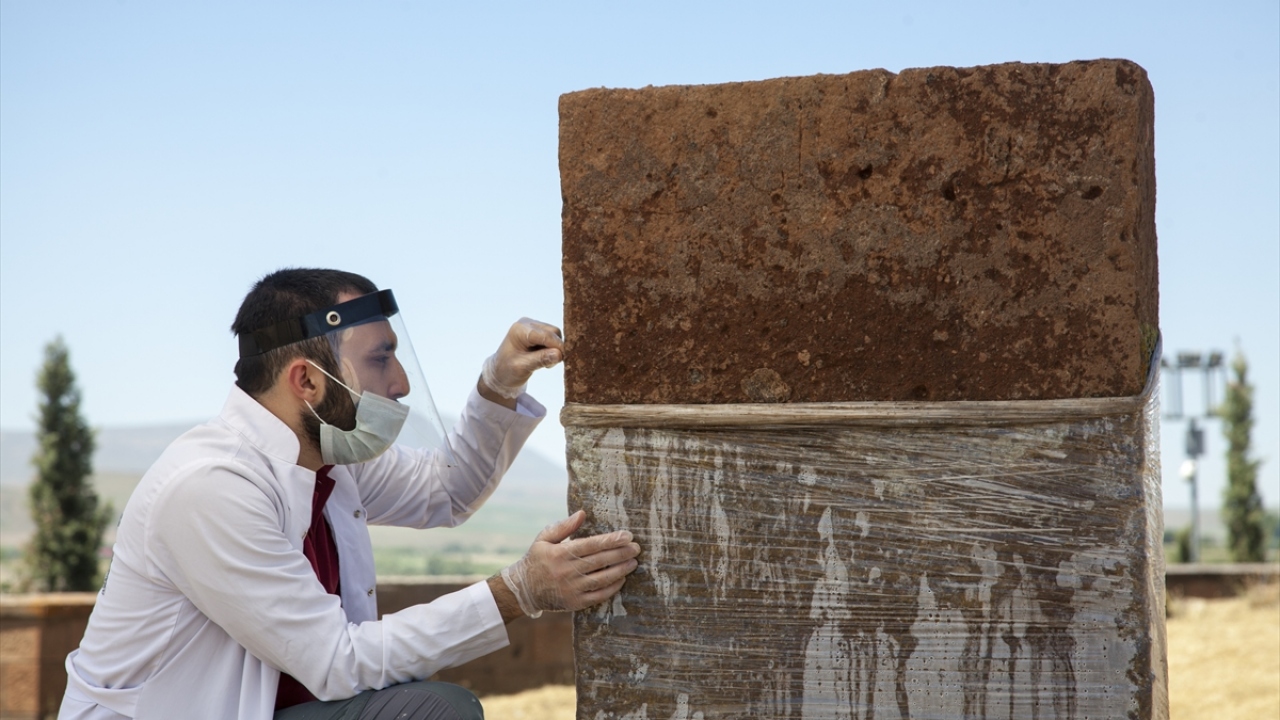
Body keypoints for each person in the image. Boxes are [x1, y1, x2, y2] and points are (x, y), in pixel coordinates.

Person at [58, 268, 640, 720]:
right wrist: (520, 591)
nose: (401, 383)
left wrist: (501, 382)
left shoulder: (326, 460)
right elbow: (337, 662)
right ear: (307, 381)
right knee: (434, 712)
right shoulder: (211, 487)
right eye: (381, 359)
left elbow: (448, 490)